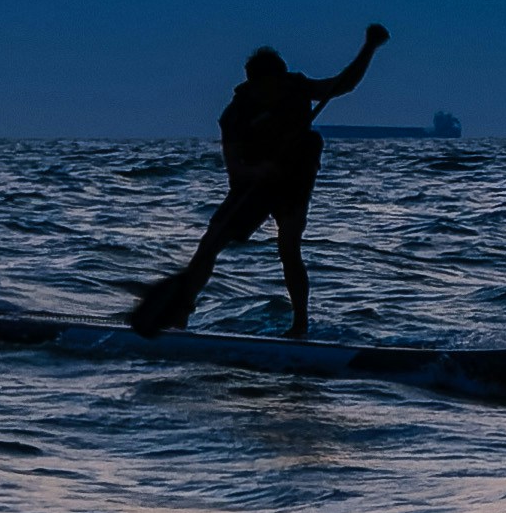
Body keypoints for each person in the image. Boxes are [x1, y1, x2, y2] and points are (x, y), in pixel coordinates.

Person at [124, 23, 388, 337]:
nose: (275, 92)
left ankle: (300, 326)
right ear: (254, 85)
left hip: (294, 179)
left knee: (289, 245)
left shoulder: (296, 87)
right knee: (209, 244)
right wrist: (258, 170)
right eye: (268, 88)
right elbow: (234, 167)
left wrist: (369, 47)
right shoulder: (235, 114)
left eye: (279, 85)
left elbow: (343, 84)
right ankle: (179, 314)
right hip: (252, 183)